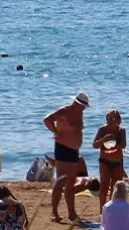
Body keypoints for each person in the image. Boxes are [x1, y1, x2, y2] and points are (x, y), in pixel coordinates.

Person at [43, 93, 90, 223]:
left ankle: (71, 213)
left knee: (71, 181)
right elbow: (47, 119)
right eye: (83, 106)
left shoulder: (79, 113)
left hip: (74, 150)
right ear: (77, 103)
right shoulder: (65, 111)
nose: (84, 108)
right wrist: (56, 132)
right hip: (63, 148)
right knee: (61, 180)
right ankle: (54, 212)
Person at [91, 110, 127, 201]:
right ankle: (102, 212)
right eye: (108, 118)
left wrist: (115, 144)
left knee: (116, 188)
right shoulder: (102, 130)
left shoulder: (121, 131)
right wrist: (104, 139)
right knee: (104, 186)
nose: (110, 120)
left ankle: (113, 209)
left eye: (113, 118)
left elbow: (123, 145)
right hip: (105, 161)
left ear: (118, 120)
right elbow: (95, 145)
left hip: (117, 161)